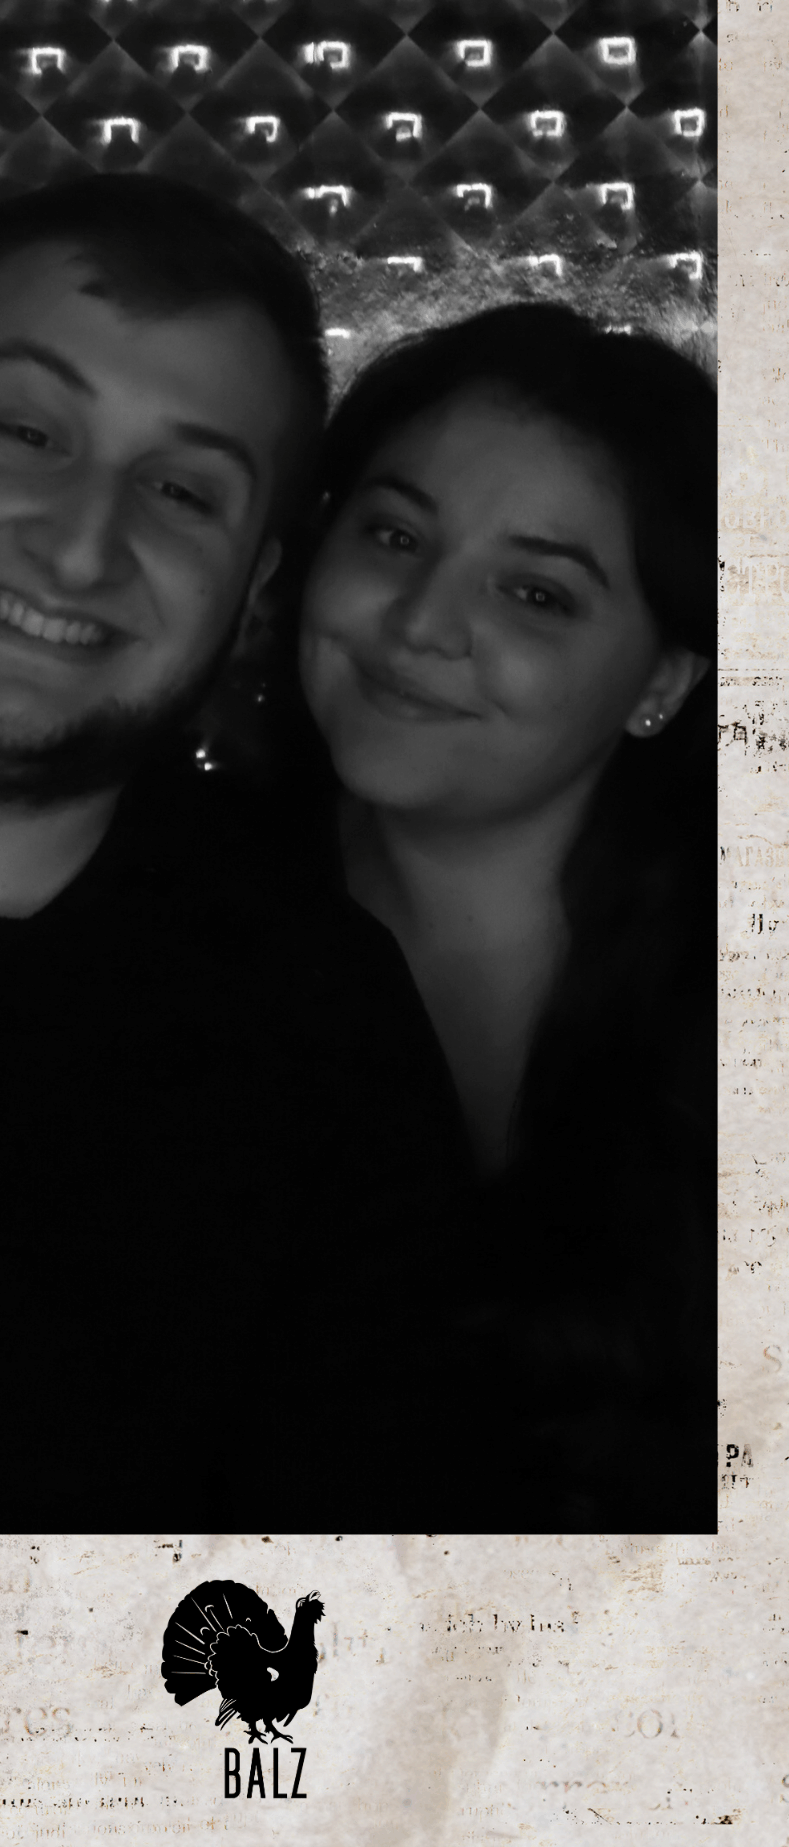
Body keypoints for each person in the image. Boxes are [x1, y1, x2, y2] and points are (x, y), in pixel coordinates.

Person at [0, 174, 470, 1530]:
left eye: (180, 490)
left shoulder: (321, 1026)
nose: (83, 546)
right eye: (28, 431)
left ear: (254, 587)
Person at [285, 303, 716, 1527]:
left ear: (663, 678)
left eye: (534, 593)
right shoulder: (158, 928)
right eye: (393, 535)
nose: (421, 624)